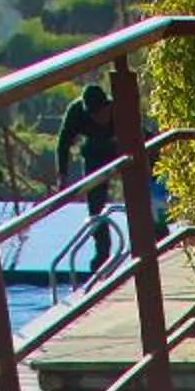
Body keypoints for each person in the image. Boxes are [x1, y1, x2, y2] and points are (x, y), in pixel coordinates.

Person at [57, 83, 118, 277]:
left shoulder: (118, 109)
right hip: (95, 151)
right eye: (93, 116)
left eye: (100, 114)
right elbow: (64, 142)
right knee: (95, 205)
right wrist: (62, 175)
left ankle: (156, 233)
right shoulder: (77, 112)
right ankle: (102, 254)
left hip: (121, 143)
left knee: (141, 186)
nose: (98, 119)